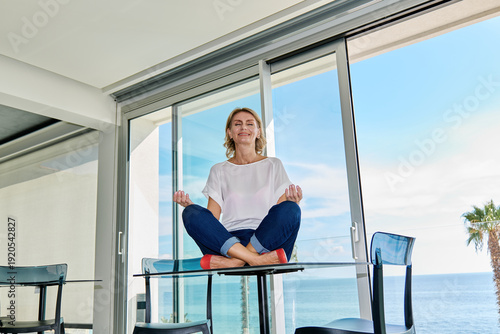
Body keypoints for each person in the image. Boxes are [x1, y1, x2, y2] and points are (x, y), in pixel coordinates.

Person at [173, 107, 302, 269]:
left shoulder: (273, 165)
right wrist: (193, 209)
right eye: (237, 124)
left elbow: (280, 214)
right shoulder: (218, 170)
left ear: (258, 132)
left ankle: (237, 261)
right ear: (230, 133)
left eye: (249, 124)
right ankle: (253, 259)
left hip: (267, 240)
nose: (243, 128)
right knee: (191, 212)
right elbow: (212, 218)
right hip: (228, 243)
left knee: (291, 208)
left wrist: (292, 202)